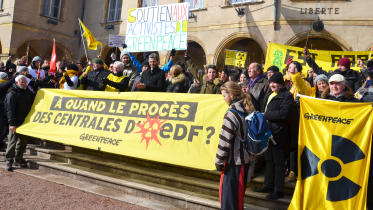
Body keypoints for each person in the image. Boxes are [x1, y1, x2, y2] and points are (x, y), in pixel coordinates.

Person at [253, 72, 294, 200]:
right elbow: (260, 107)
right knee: (269, 160)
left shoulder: (287, 96)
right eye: (270, 82)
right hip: (266, 132)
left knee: (278, 163)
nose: (272, 85)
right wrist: (249, 95)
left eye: (274, 82)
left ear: (281, 83)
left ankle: (278, 190)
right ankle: (268, 185)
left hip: (278, 134)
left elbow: (283, 114)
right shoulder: (269, 94)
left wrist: (265, 115)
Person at [215, 81, 255, 210]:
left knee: (229, 202)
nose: (223, 98)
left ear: (231, 95)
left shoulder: (231, 114)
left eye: (224, 96)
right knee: (238, 200)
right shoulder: (248, 109)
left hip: (234, 163)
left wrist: (219, 162)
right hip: (246, 161)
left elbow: (224, 142)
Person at [4, 75, 35, 171]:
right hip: (16, 123)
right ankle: (9, 161)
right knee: (12, 142)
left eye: (25, 82)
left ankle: (17, 159)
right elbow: (10, 110)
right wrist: (12, 123)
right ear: (17, 83)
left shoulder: (27, 92)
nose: (25, 84)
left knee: (23, 142)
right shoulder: (12, 94)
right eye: (22, 82)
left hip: (25, 122)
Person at [0, 72, 15, 147]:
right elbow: (7, 84)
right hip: (1, 111)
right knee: (1, 129)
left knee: (6, 130)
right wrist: (14, 77)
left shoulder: (8, 87)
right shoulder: (1, 84)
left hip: (6, 110)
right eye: (6, 77)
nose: (7, 78)